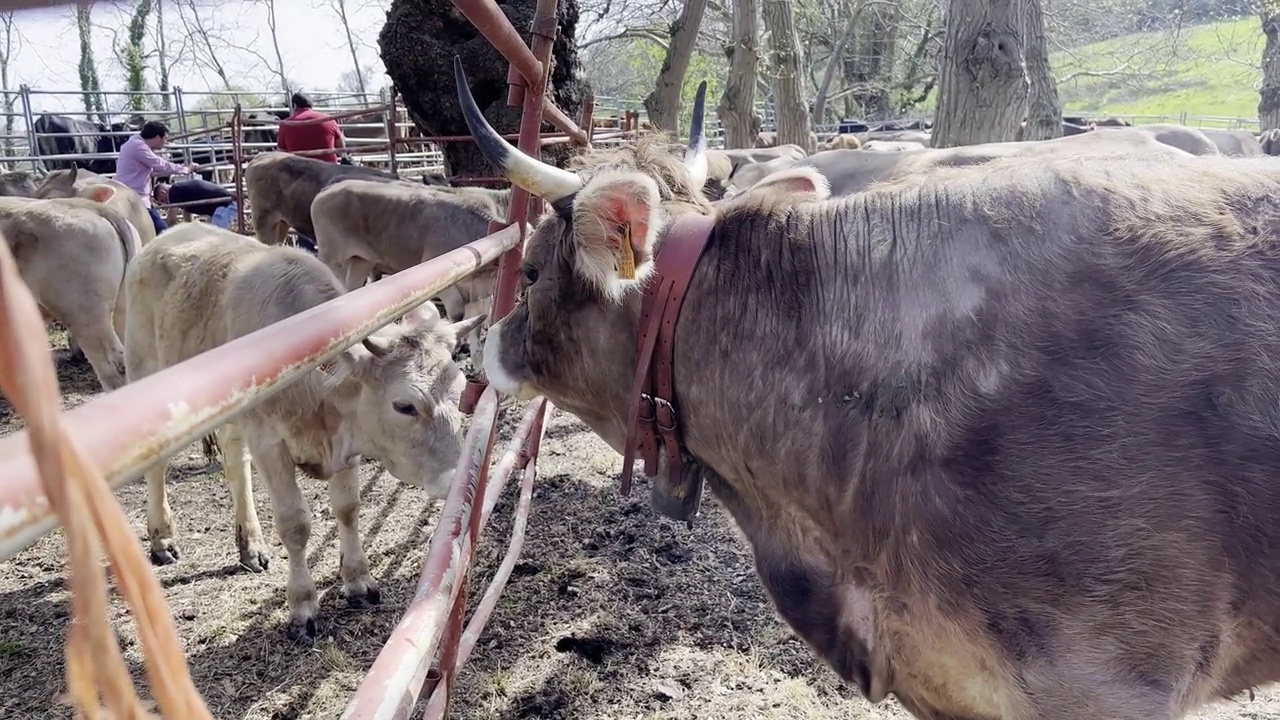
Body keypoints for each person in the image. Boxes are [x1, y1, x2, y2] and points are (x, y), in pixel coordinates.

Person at [114, 120, 196, 236]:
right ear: (158, 138)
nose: (166, 142)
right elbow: (160, 165)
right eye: (165, 139)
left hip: (133, 195)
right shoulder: (139, 147)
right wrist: (185, 169)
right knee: (163, 232)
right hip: (135, 198)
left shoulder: (135, 142)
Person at [276, 92, 345, 164]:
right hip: (329, 169)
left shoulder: (286, 124)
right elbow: (341, 146)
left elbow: (282, 152)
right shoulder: (328, 119)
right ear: (311, 105)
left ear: (295, 106)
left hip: (298, 170)